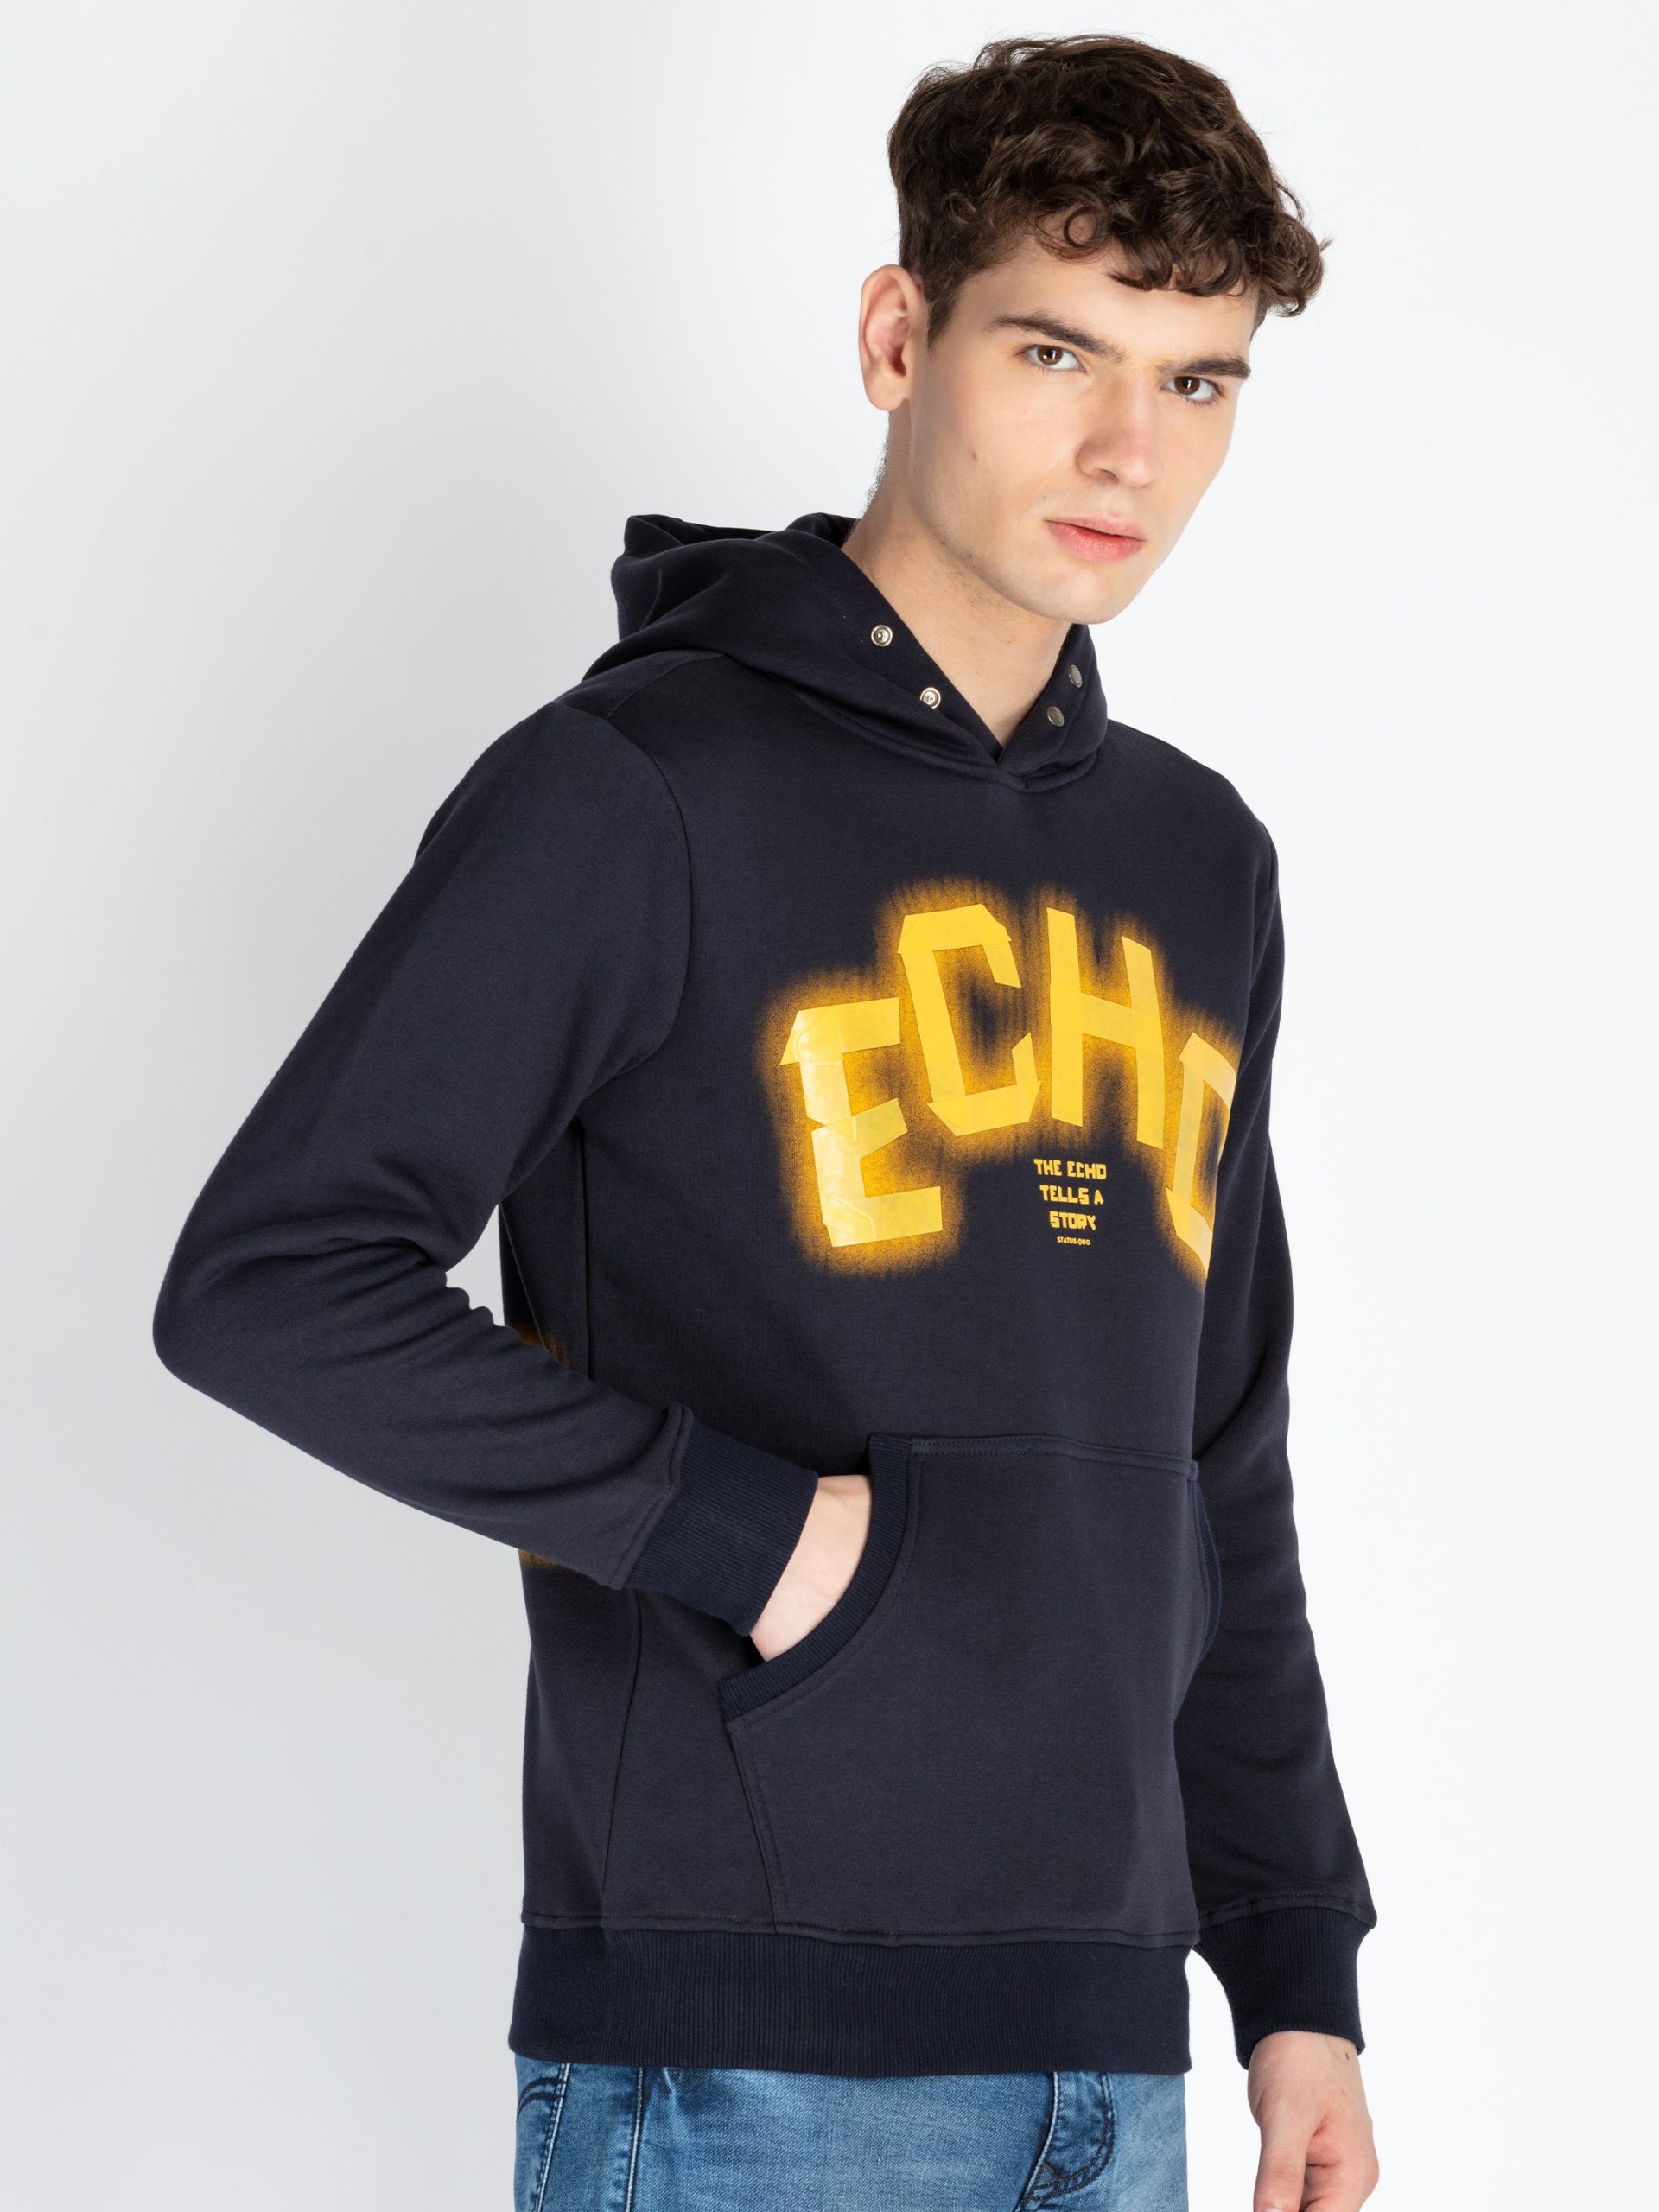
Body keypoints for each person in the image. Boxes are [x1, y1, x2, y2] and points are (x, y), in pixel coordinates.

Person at [153, 29, 1379, 2212]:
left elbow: (1219, 1450)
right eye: (1057, 350)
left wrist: (1294, 1971)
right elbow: (271, 1280)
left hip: (1115, 2049)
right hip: (736, 2057)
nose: (1131, 447)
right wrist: (762, 1538)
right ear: (901, 336)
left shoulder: (1201, 863)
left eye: (1199, 381)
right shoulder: (637, 790)